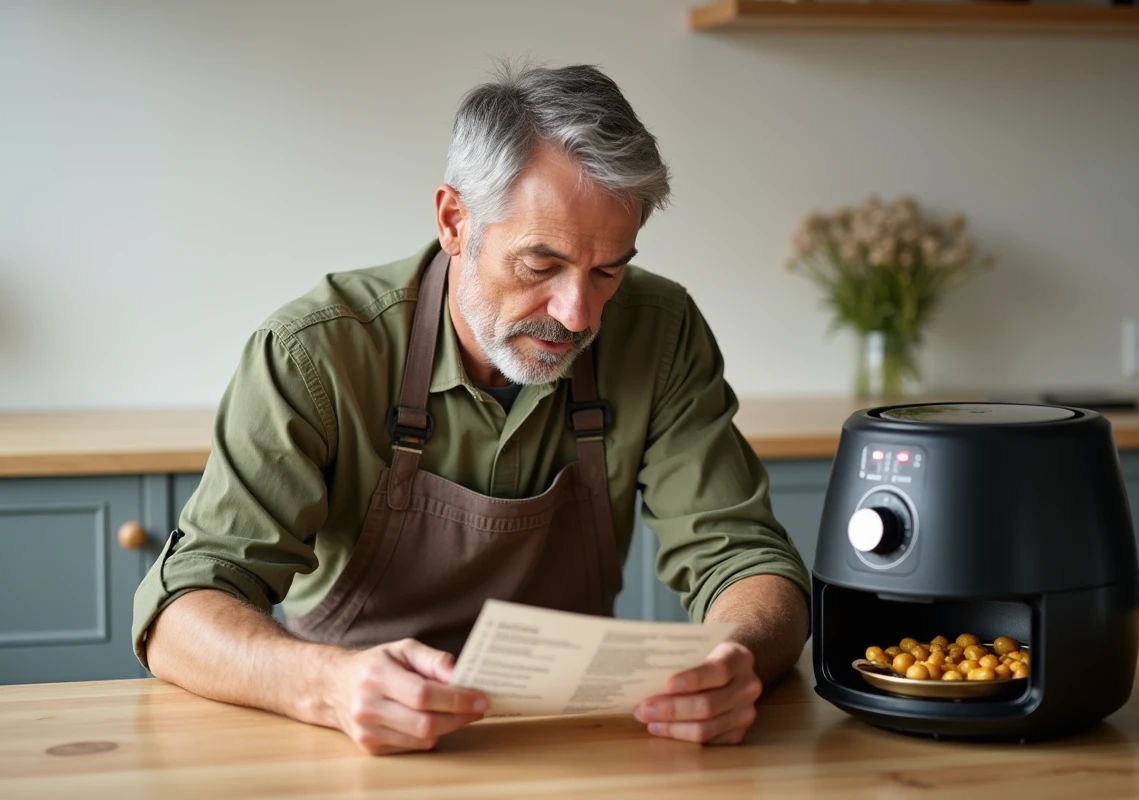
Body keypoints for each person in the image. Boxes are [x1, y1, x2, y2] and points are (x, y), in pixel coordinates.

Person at [133, 62, 811, 755]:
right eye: (540, 265)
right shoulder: (316, 353)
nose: (577, 315)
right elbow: (181, 612)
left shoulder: (660, 332)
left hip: (570, 742)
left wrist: (737, 660)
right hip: (346, 742)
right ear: (455, 220)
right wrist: (327, 685)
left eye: (608, 270)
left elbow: (746, 560)